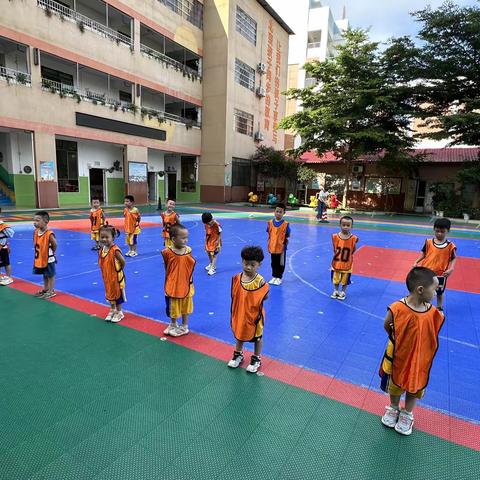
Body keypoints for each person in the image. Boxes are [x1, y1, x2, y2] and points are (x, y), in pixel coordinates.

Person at [379, 267, 444, 436]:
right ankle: (393, 408)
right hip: (397, 355)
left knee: (415, 384)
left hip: (419, 358)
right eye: (434, 288)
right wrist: (396, 338)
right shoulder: (397, 308)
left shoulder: (432, 313)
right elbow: (387, 324)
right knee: (395, 383)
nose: (437, 291)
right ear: (420, 290)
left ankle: (407, 413)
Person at [228, 246, 269, 373]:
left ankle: (256, 358)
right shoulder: (237, 278)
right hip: (241, 313)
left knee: (257, 337)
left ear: (259, 265)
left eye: (252, 265)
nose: (248, 267)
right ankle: (238, 354)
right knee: (239, 334)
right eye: (246, 264)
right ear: (242, 262)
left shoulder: (260, 281)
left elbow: (265, 296)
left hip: (255, 316)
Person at [413, 218, 456, 312]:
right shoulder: (428, 242)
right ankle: (423, 305)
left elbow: (453, 258)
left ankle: (439, 308)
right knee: (424, 290)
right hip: (426, 272)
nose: (439, 233)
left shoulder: (450, 246)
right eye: (437, 231)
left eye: (442, 231)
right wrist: (416, 261)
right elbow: (423, 253)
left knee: (439, 292)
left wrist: (451, 269)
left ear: (448, 231)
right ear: (434, 230)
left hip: (441, 274)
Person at [161, 223, 196, 337]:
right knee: (173, 306)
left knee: (185, 306)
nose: (186, 240)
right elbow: (167, 267)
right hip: (173, 284)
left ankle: (184, 326)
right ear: (173, 239)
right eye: (183, 238)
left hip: (186, 283)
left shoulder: (188, 250)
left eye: (187, 238)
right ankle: (173, 323)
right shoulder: (167, 252)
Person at [98, 225, 126, 323]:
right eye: (102, 237)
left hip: (116, 277)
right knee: (109, 294)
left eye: (107, 237)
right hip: (107, 277)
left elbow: (123, 261)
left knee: (117, 295)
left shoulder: (115, 250)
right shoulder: (102, 250)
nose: (104, 239)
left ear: (113, 238)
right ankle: (112, 309)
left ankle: (119, 312)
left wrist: (118, 271)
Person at [330, 216, 358, 300]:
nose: (345, 227)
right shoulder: (335, 236)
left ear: (351, 226)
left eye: (348, 225)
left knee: (345, 279)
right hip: (337, 262)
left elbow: (353, 249)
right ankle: (335, 290)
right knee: (336, 278)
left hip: (347, 263)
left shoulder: (353, 238)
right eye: (344, 225)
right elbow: (334, 248)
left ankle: (343, 292)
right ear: (340, 225)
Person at [32, 210, 57, 299]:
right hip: (40, 258)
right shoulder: (36, 232)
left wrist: (53, 253)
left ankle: (51, 290)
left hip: (48, 258)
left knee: (50, 275)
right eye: (34, 220)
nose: (35, 223)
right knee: (45, 274)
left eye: (38, 220)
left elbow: (55, 244)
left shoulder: (49, 234)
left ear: (46, 221)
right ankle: (46, 289)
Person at [266, 203, 290, 285]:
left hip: (281, 248)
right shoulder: (270, 222)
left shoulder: (285, 224)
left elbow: (288, 234)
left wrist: (283, 242)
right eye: (277, 211)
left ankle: (279, 277)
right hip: (273, 246)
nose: (278, 213)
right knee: (273, 262)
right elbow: (268, 232)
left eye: (280, 212)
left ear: (284, 213)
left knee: (280, 263)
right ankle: (274, 276)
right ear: (274, 212)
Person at [0, 209, 15, 285]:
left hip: (2, 248)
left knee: (6, 263)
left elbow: (10, 233)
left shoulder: (2, 225)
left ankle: (9, 277)